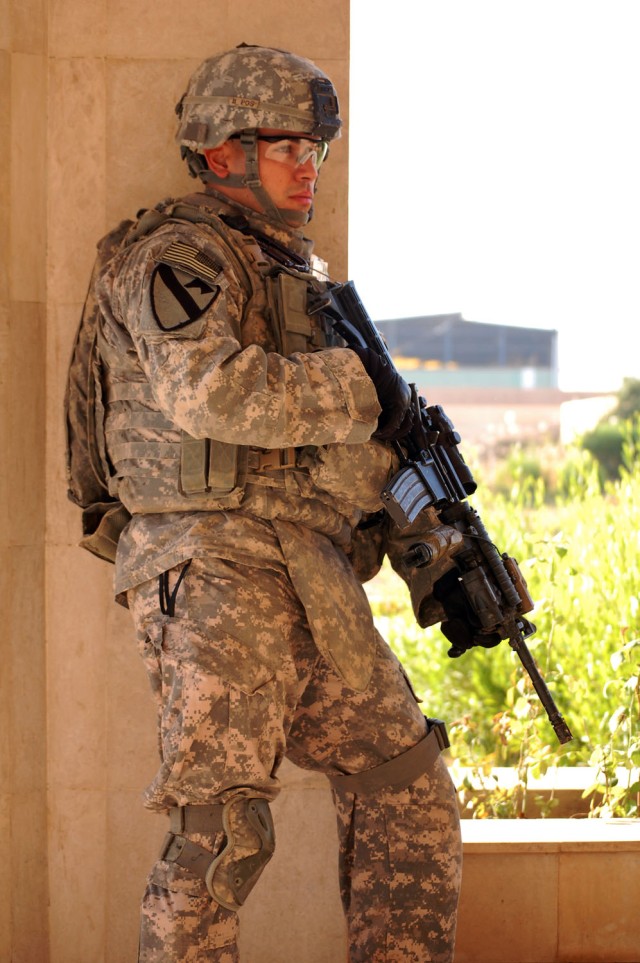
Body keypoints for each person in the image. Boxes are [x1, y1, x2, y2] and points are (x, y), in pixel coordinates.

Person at [95, 43, 463, 962]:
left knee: (407, 787)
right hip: (215, 566)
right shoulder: (179, 257)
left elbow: (351, 444)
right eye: (284, 144)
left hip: (313, 573)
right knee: (222, 837)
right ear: (220, 152)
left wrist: (440, 546)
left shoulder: (300, 278)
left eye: (317, 148)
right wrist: (357, 388)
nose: (309, 164)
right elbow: (206, 390)